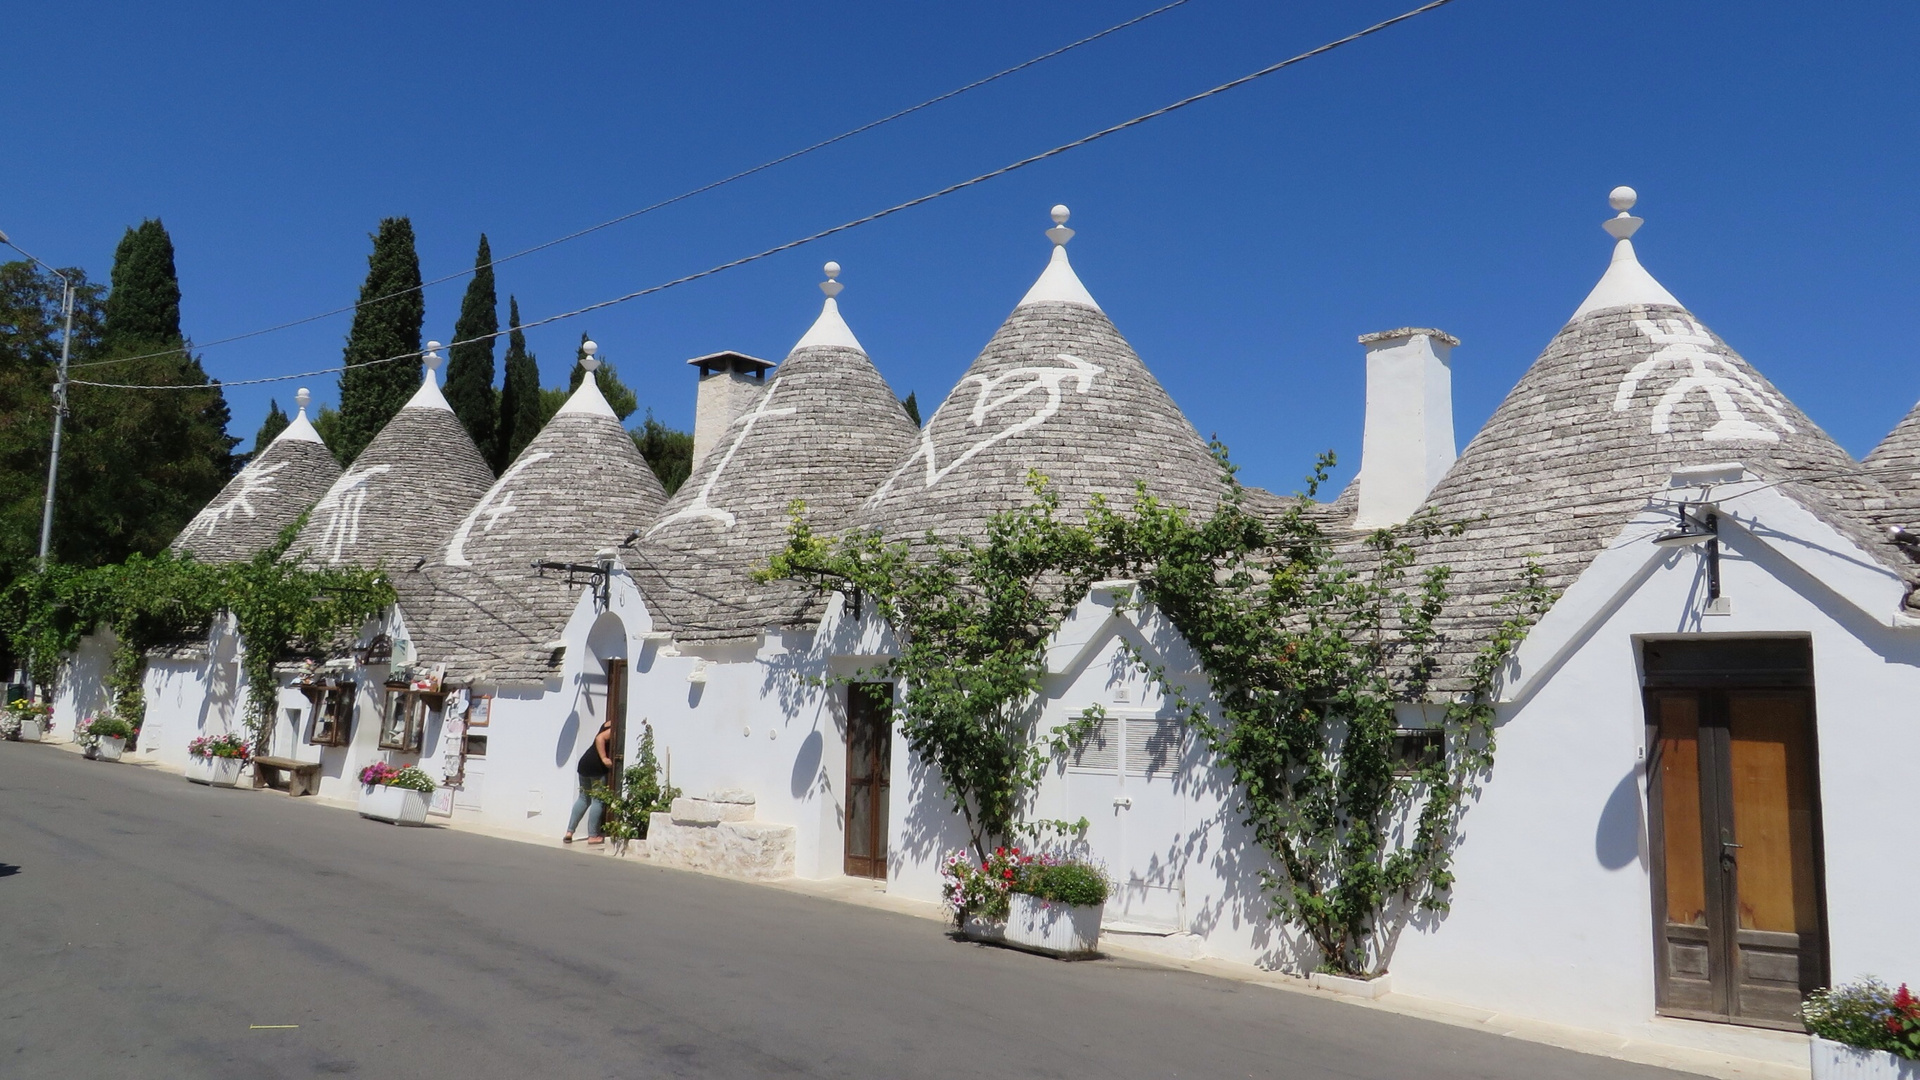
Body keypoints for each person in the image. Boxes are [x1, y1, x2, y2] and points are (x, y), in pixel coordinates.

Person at [564, 717, 616, 845]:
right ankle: (593, 836)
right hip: (596, 766)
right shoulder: (615, 727)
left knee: (583, 798)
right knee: (597, 800)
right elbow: (600, 738)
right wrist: (604, 758)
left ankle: (569, 832)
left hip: (585, 763)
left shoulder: (607, 723)